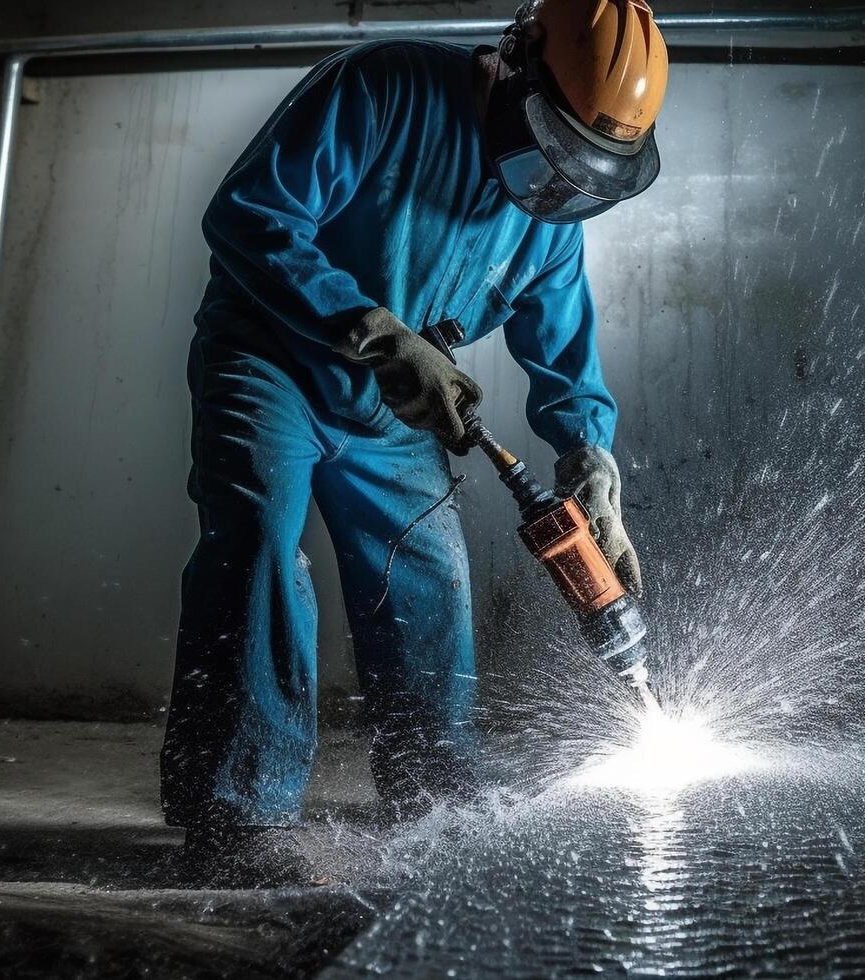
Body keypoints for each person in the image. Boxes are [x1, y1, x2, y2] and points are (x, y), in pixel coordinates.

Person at [162, 0, 668, 879]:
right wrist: (371, 328)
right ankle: (235, 810)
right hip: (271, 357)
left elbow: (562, 353)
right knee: (257, 541)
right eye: (552, 144)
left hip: (393, 408)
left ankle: (435, 791)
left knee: (425, 575)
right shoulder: (382, 86)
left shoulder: (549, 212)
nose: (555, 184)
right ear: (512, 67)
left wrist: (590, 462)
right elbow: (249, 214)